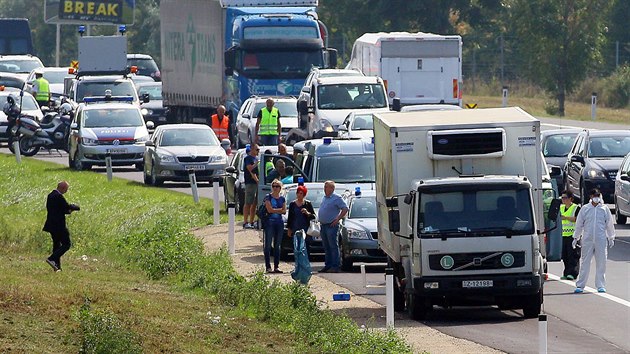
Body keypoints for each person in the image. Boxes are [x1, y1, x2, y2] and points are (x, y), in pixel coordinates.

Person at [572, 189, 615, 294]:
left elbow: (609, 224)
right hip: (587, 239)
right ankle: (580, 285)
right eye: (595, 195)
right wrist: (576, 237)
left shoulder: (604, 209)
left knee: (601, 263)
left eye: (598, 195)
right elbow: (579, 224)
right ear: (591, 197)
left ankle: (600, 285)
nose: (597, 198)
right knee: (585, 262)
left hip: (600, 239)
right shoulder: (585, 209)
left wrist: (611, 237)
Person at [43, 181, 79, 272]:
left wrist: (67, 211)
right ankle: (52, 258)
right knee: (67, 244)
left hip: (51, 224)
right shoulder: (59, 196)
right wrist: (75, 207)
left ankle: (57, 266)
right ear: (62, 188)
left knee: (57, 245)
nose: (66, 191)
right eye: (66, 189)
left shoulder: (50, 195)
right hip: (59, 225)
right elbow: (66, 206)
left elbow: (59, 209)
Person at [317, 180, 348, 273]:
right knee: (326, 247)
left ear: (332, 188)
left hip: (332, 225)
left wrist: (338, 219)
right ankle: (328, 265)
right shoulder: (325, 198)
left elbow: (345, 208)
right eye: (325, 187)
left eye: (327, 187)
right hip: (323, 225)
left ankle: (335, 266)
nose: (325, 189)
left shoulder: (337, 198)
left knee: (333, 246)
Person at [263, 179, 287, 273]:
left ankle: (276, 266)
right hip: (270, 222)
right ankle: (268, 266)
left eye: (277, 186)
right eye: (273, 186)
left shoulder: (282, 198)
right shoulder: (268, 197)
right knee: (268, 245)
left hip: (279, 223)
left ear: (280, 188)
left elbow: (284, 211)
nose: (275, 188)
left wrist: (275, 209)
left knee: (277, 245)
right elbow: (269, 210)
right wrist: (278, 210)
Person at [287, 184, 316, 253]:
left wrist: (307, 213)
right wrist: (289, 229)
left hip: (305, 229)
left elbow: (313, 216)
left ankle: (305, 262)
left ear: (304, 195)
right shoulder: (292, 204)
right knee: (296, 247)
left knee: (306, 247)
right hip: (295, 228)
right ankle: (297, 263)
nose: (299, 195)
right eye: (298, 193)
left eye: (301, 193)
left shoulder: (307, 204)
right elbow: (290, 217)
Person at [560, 190, 580, 280]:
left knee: (573, 255)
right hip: (563, 235)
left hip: (573, 235)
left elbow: (578, 219)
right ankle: (566, 272)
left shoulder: (576, 208)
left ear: (571, 199)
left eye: (565, 198)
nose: (563, 199)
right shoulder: (561, 208)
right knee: (565, 255)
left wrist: (566, 218)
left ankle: (573, 273)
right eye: (562, 198)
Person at [243, 143, 260, 229]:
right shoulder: (248, 158)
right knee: (248, 203)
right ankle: (245, 222)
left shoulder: (256, 158)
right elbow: (250, 169)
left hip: (257, 184)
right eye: (257, 150)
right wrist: (256, 163)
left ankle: (252, 222)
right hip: (250, 183)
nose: (258, 151)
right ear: (252, 149)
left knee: (254, 203)